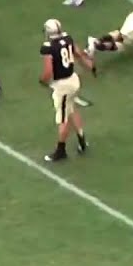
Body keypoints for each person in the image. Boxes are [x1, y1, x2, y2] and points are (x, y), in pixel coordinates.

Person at [39, 19, 96, 162]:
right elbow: (79, 54)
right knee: (71, 109)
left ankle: (61, 150)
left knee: (63, 118)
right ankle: (82, 140)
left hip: (63, 86)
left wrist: (43, 81)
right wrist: (89, 66)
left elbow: (48, 71)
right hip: (73, 79)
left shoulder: (48, 48)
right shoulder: (67, 39)